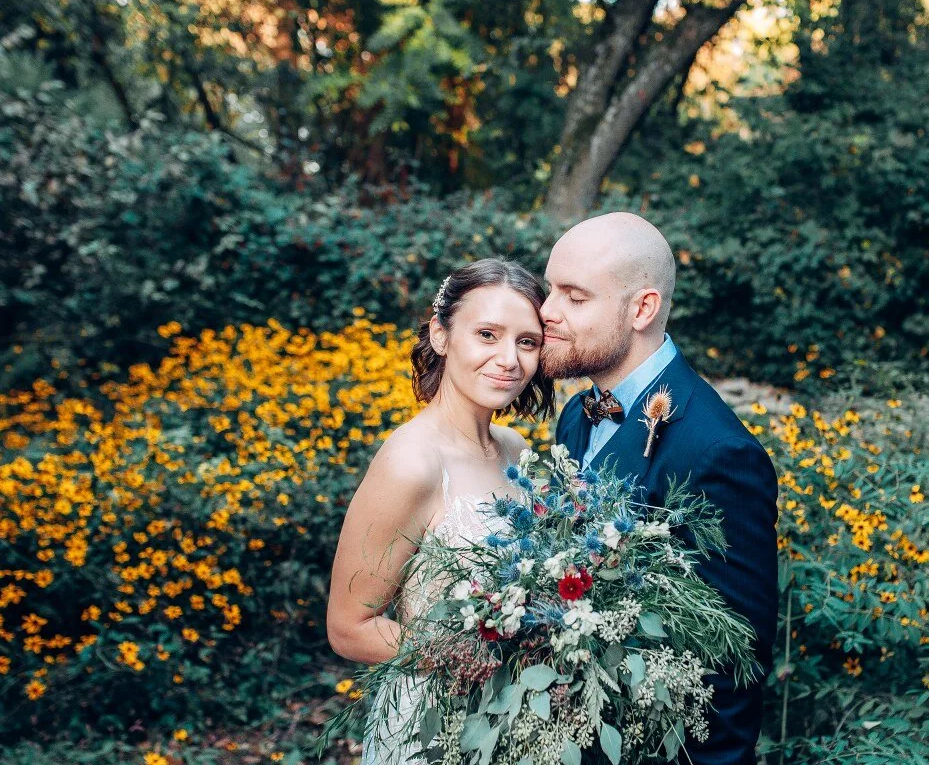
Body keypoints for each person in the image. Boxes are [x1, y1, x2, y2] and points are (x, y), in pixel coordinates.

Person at [540, 212, 779, 765]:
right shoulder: (576, 415)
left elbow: (733, 666)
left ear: (642, 309)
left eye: (574, 297)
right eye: (550, 289)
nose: (547, 310)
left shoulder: (718, 453)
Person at [326, 258, 554, 764]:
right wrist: (462, 655)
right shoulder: (411, 463)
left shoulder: (516, 450)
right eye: (487, 334)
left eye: (527, 342)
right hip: (433, 724)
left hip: (518, 723)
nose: (509, 359)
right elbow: (348, 626)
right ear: (441, 335)